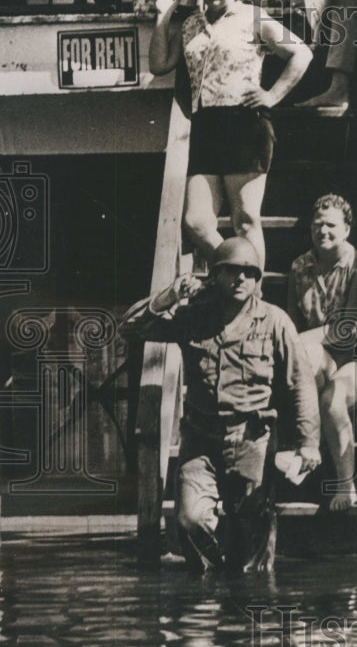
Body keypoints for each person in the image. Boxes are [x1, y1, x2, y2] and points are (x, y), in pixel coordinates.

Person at [120, 236, 322, 572]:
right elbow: (130, 329)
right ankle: (209, 592)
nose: (239, 278)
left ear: (258, 279)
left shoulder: (275, 322)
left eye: (248, 272)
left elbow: (300, 382)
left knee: (252, 545)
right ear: (215, 276)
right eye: (230, 271)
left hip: (252, 440)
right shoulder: (194, 317)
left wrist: (308, 443)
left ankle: (247, 599)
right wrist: (169, 296)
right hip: (200, 439)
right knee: (189, 520)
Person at [149, 0, 313, 269]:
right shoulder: (191, 24)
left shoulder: (252, 17)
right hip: (205, 124)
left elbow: (301, 54)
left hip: (244, 123)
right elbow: (158, 64)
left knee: (246, 219)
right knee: (196, 221)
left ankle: (251, 295)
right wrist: (163, 13)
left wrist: (272, 95)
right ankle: (238, 273)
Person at [287, 195, 357, 510]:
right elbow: (290, 322)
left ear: (347, 229)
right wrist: (299, 345)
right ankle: (310, 445)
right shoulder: (299, 266)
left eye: (331, 225)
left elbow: (346, 330)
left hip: (353, 360)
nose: (323, 231)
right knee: (306, 361)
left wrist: (298, 344)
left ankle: (344, 485)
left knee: (333, 402)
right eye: (317, 224)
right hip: (314, 360)